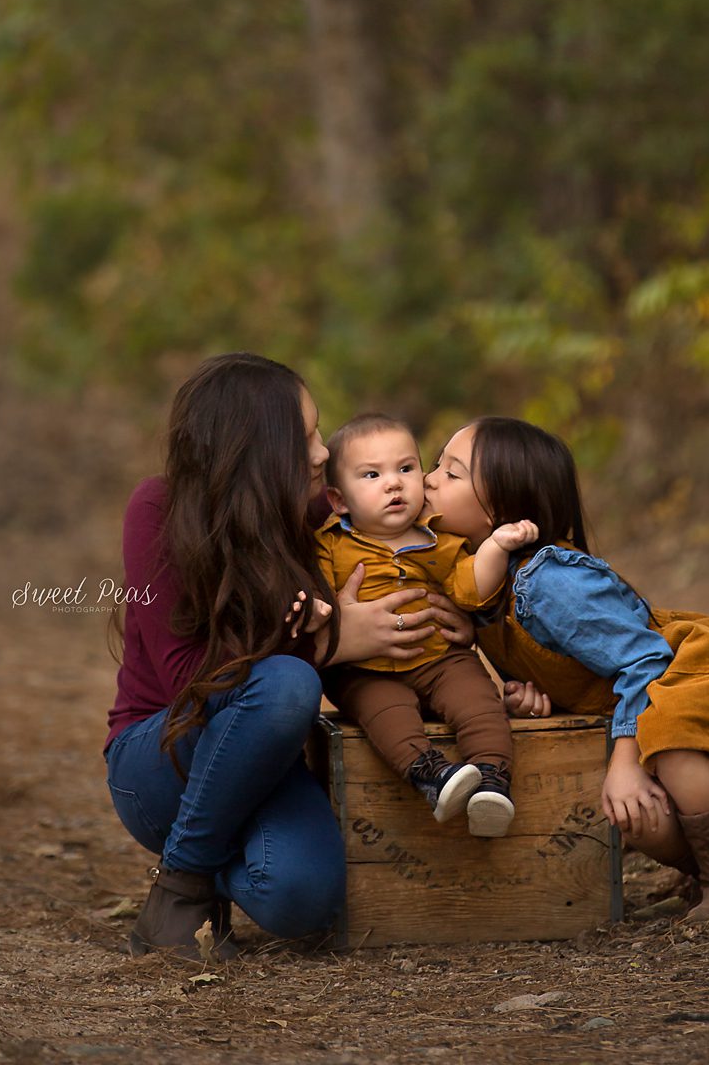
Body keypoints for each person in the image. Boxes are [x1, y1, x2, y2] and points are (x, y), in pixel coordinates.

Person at [103, 353, 472, 960]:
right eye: (307, 438)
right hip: (160, 757)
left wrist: (466, 613)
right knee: (287, 683)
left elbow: (431, 541)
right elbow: (183, 678)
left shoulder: (322, 513)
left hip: (261, 762)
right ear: (260, 450)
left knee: (303, 900)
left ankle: (207, 860)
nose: (324, 452)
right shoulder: (158, 510)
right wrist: (330, 642)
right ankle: (181, 888)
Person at [423, 416, 709, 925]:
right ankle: (708, 873)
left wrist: (626, 763)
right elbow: (568, 661)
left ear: (502, 512)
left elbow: (646, 662)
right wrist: (532, 694)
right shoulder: (480, 584)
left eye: (450, 473)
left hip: (680, 672)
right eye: (435, 465)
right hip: (630, 699)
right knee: (633, 813)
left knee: (672, 747)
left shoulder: (549, 584)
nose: (428, 479)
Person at [316, 413, 536, 837]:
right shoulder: (329, 545)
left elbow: (470, 588)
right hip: (365, 668)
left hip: (439, 658)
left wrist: (495, 547)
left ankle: (491, 779)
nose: (393, 484)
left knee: (478, 702)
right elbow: (318, 596)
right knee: (385, 714)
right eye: (372, 475)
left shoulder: (439, 539)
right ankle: (431, 774)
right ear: (339, 501)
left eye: (405, 468)